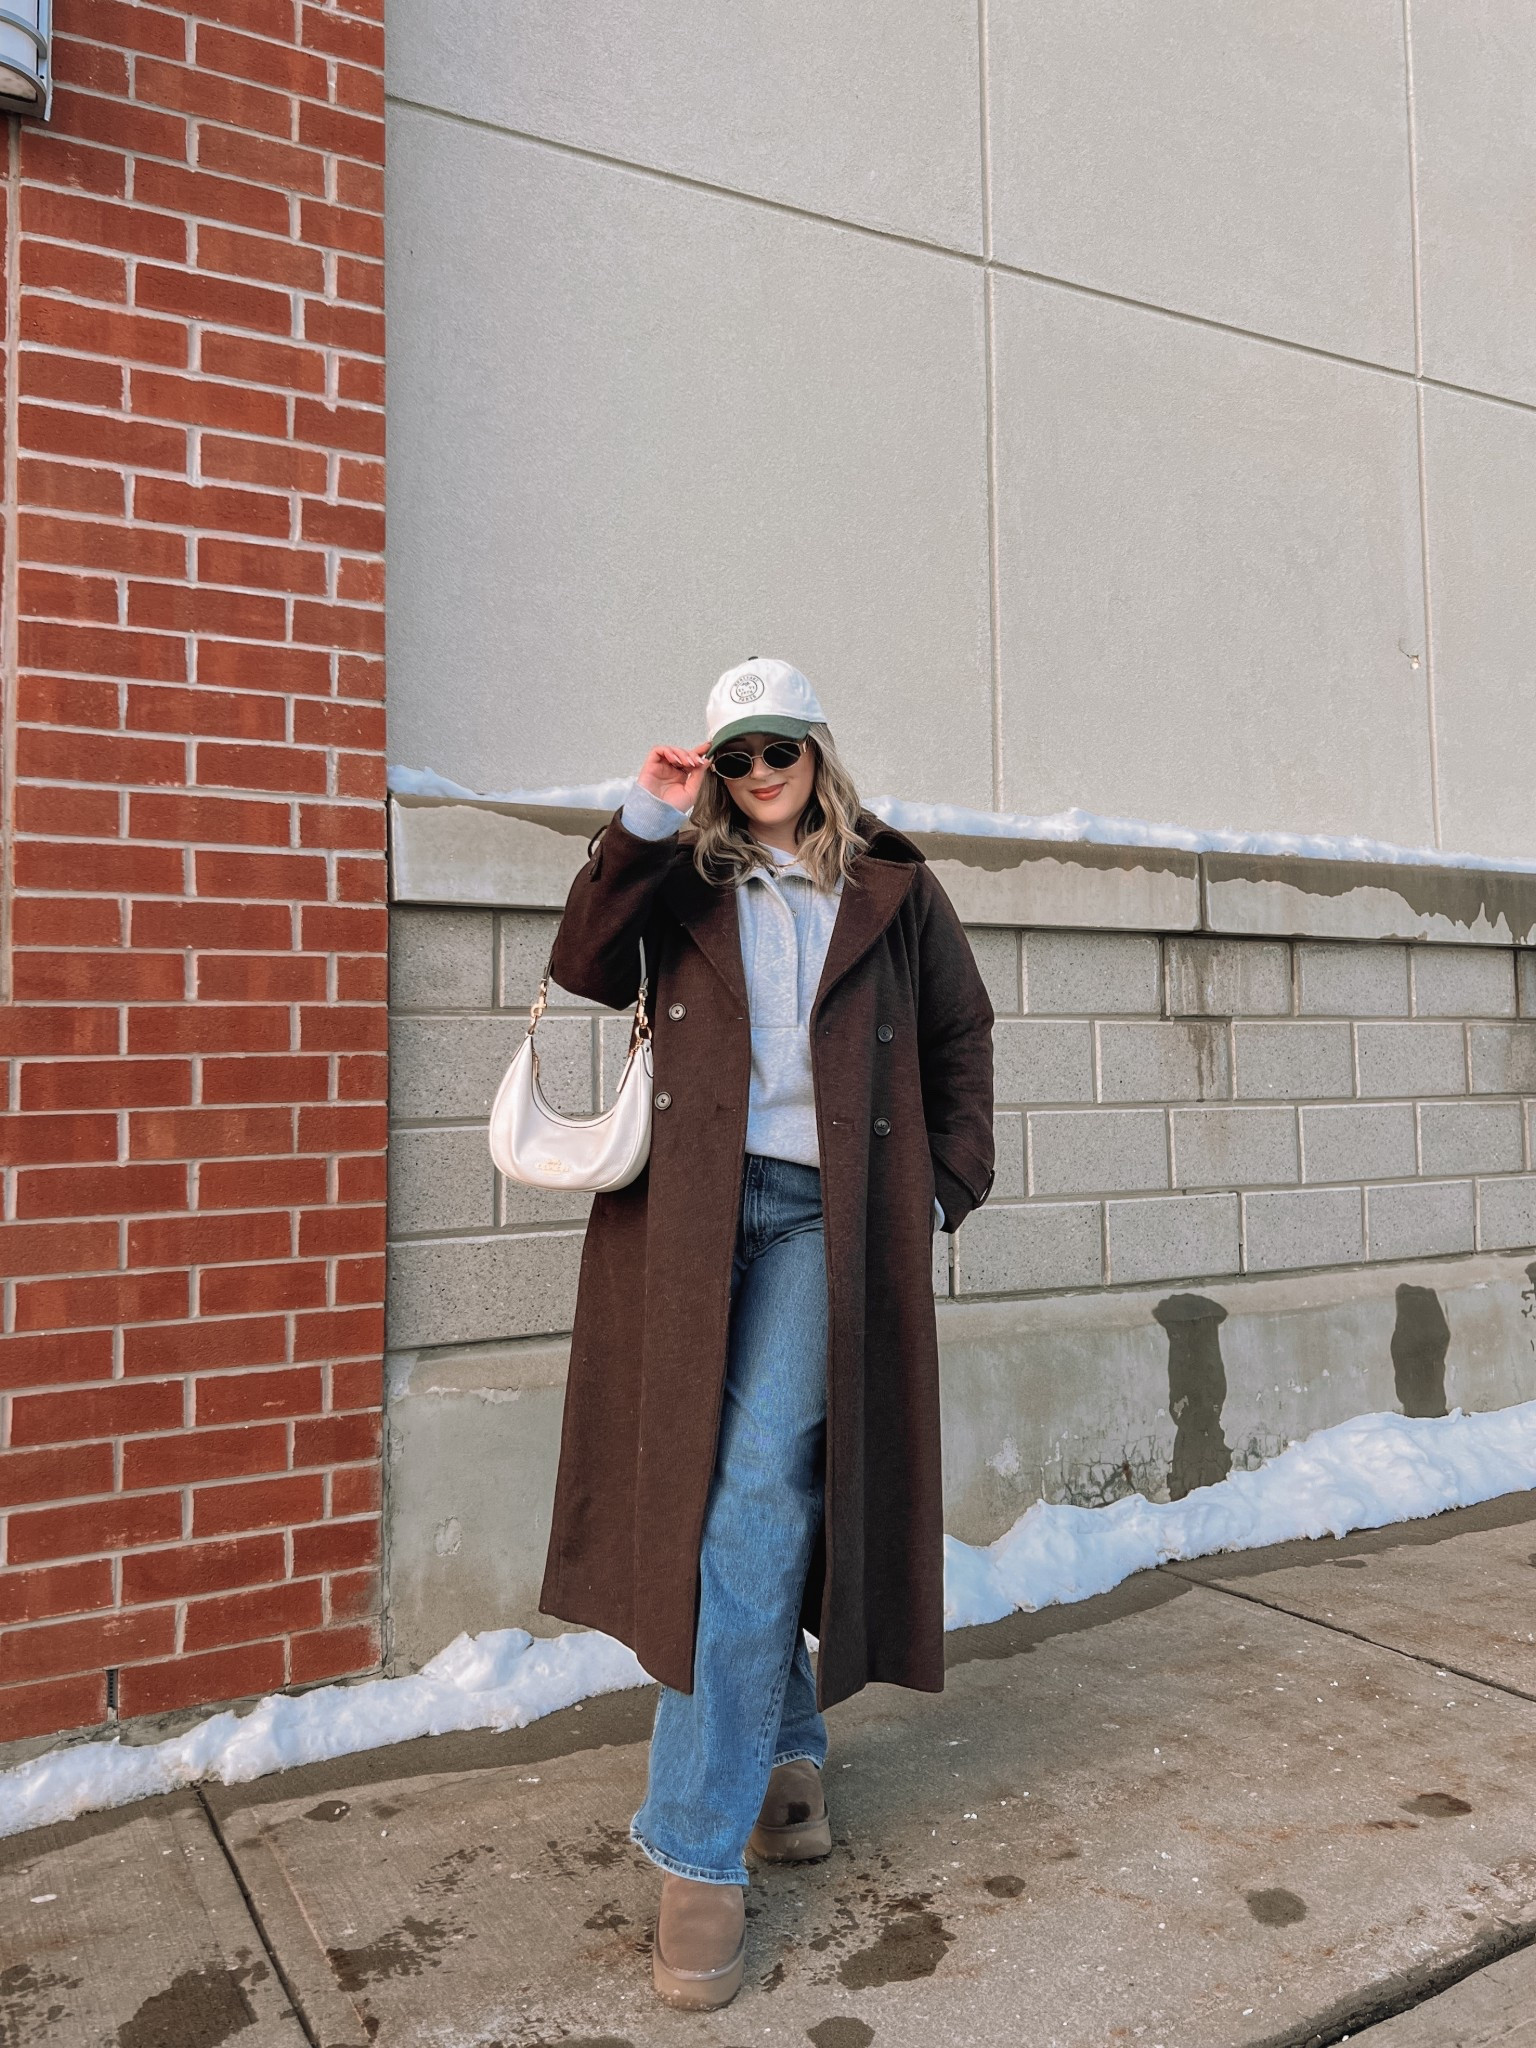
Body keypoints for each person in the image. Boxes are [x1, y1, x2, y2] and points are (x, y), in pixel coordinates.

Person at [540, 658, 995, 2009]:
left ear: (815, 750)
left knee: (745, 1504)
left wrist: (941, 1180)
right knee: (722, 1502)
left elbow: (963, 1034)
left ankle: (695, 1854)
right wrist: (639, 818)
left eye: (775, 747)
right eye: (733, 754)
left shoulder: (895, 888)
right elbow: (580, 967)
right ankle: (784, 1757)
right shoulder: (680, 877)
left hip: (826, 1226)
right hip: (687, 1223)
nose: (755, 773)